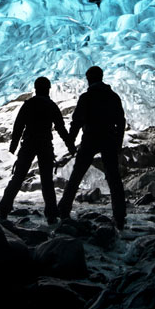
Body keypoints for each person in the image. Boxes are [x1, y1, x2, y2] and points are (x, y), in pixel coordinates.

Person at [0, 76, 75, 224]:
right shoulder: (51, 105)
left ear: (35, 88)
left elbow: (18, 126)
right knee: (47, 180)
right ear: (48, 89)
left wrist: (13, 147)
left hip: (28, 143)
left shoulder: (28, 104)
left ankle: (3, 209)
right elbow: (60, 128)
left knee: (18, 177)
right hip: (45, 144)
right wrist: (70, 146)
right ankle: (51, 214)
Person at [58, 66, 127, 229]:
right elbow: (121, 121)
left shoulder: (86, 97)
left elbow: (77, 121)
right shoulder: (113, 96)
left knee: (77, 174)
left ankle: (64, 209)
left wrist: (70, 142)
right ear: (101, 77)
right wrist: (118, 142)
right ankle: (119, 216)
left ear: (89, 79)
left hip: (90, 138)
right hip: (109, 138)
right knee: (114, 177)